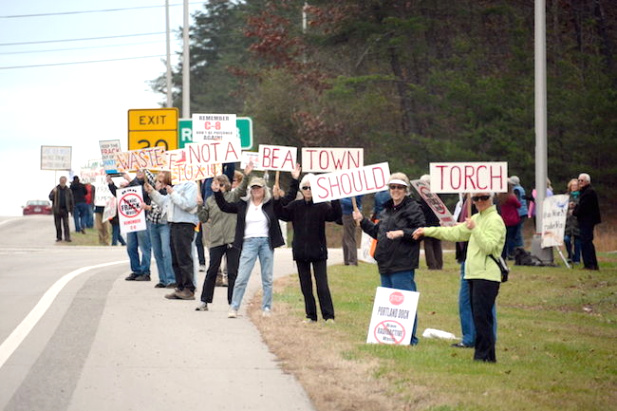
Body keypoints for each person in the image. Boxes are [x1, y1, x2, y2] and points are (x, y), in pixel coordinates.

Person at [413, 192, 506, 362]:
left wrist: (474, 229)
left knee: (483, 317)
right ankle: (485, 356)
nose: (479, 202)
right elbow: (453, 233)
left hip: (487, 276)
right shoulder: (476, 218)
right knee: (479, 317)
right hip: (473, 274)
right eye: (476, 199)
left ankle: (483, 357)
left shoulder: (495, 220)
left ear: (491, 199)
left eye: (483, 198)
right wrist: (427, 230)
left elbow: (489, 247)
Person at [215, 165, 300, 318]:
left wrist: (295, 179)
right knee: (242, 277)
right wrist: (217, 193)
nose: (256, 191)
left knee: (267, 278)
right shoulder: (243, 204)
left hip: (266, 243)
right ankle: (234, 307)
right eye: (253, 188)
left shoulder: (271, 204)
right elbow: (225, 207)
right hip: (248, 243)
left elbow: (289, 198)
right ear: (250, 190)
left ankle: (266, 308)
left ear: (264, 189)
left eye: (259, 188)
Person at [353, 173, 425, 345]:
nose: (396, 190)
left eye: (399, 187)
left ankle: (410, 339)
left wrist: (402, 233)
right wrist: (362, 221)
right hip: (385, 263)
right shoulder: (385, 209)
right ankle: (392, 337)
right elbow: (378, 232)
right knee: (389, 306)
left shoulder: (413, 207)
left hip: (403, 263)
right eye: (392, 187)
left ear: (406, 189)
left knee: (405, 302)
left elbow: (421, 231)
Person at [274, 173, 342, 323]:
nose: (308, 190)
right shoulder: (295, 206)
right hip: (300, 252)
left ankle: (328, 316)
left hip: (318, 252)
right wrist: (277, 199)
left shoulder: (322, 206)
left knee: (322, 285)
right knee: (306, 286)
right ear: (301, 189)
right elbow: (281, 213)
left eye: (311, 188)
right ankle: (311, 315)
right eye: (305, 187)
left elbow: (335, 215)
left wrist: (335, 197)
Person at [195, 164, 252, 311]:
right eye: (214, 183)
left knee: (232, 272)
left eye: (220, 184)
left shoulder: (232, 197)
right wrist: (200, 206)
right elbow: (203, 218)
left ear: (225, 186)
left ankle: (232, 303)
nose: (216, 186)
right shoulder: (210, 200)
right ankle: (204, 301)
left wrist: (246, 175)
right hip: (216, 239)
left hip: (232, 238)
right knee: (212, 270)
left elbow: (241, 188)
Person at [146, 177, 200, 300]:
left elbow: (188, 204)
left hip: (185, 223)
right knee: (175, 258)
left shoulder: (191, 185)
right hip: (173, 223)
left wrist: (173, 193)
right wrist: (152, 192)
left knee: (184, 258)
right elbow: (165, 202)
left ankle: (189, 288)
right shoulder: (176, 186)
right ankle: (180, 286)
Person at [143, 170, 176, 289]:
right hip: (153, 223)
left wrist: (149, 207)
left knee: (166, 252)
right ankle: (163, 279)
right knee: (157, 253)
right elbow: (147, 175)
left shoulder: (168, 190)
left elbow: (162, 206)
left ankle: (171, 279)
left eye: (161, 180)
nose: (158, 182)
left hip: (164, 223)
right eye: (157, 179)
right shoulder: (154, 187)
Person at [123, 171, 152, 281]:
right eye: (137, 170)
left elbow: (141, 194)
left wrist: (131, 181)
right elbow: (122, 197)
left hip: (144, 219)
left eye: (141, 169)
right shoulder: (132, 182)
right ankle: (136, 270)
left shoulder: (148, 182)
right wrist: (111, 184)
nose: (138, 171)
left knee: (144, 247)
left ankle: (145, 272)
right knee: (130, 246)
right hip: (132, 219)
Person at [573, 173, 601, 270]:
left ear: (587, 182)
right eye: (579, 180)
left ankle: (589, 264)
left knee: (586, 242)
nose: (580, 182)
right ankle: (592, 264)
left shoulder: (589, 192)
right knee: (587, 241)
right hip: (586, 220)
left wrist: (574, 210)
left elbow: (583, 208)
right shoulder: (585, 192)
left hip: (587, 221)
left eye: (582, 180)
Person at [418, 174, 443, 270]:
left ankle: (432, 265)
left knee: (428, 242)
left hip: (427, 220)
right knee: (437, 242)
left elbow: (423, 208)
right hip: (436, 220)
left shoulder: (424, 194)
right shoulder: (437, 193)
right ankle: (439, 264)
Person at [496, 183, 521, 259]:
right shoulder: (511, 197)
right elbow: (518, 205)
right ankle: (511, 253)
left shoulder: (499, 197)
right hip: (513, 219)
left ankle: (503, 254)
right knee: (512, 238)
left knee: (504, 239)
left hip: (503, 219)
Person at [49, 176, 74, 242]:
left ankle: (67, 237)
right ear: (59, 181)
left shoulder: (68, 190)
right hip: (57, 209)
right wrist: (53, 193)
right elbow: (50, 197)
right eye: (61, 180)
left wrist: (71, 210)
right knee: (58, 225)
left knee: (66, 225)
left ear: (65, 181)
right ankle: (59, 237)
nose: (62, 182)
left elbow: (71, 200)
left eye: (64, 180)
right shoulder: (56, 189)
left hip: (65, 209)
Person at [341, 195, 363, 266]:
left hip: (350, 214)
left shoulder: (356, 192)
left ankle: (353, 261)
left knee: (349, 238)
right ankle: (346, 260)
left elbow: (353, 203)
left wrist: (340, 199)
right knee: (345, 238)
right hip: (345, 213)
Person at [564, 178, 581, 264]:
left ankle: (577, 259)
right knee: (566, 239)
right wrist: (567, 205)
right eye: (572, 185)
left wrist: (575, 205)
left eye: (575, 185)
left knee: (577, 241)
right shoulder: (566, 196)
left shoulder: (581, 196)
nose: (574, 187)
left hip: (577, 221)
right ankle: (570, 255)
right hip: (568, 222)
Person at [106, 175, 126, 246]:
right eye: (121, 186)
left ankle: (115, 244)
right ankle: (122, 243)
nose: (121, 187)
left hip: (120, 217)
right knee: (116, 231)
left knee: (116, 231)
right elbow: (114, 190)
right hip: (116, 217)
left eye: (123, 186)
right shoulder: (118, 195)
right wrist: (110, 182)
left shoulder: (127, 195)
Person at [509, 176, 528, 250]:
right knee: (518, 231)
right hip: (523, 212)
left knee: (517, 233)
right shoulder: (521, 188)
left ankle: (519, 248)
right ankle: (519, 248)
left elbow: (516, 201)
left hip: (519, 213)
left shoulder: (516, 190)